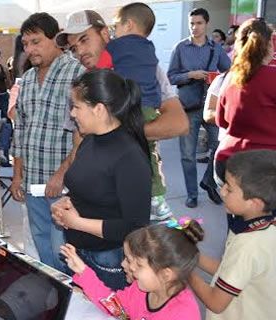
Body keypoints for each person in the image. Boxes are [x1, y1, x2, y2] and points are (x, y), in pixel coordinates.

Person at [59, 8, 189, 222]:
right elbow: (78, 143)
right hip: (98, 201)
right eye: (74, 48)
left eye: (84, 40)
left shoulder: (145, 67)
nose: (80, 52)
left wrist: (116, 134)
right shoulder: (82, 84)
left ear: (104, 34)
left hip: (136, 194)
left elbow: (178, 124)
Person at [52, 69, 151, 290]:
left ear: (99, 109)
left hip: (108, 260)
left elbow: (135, 226)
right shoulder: (90, 141)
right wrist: (65, 204)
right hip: (77, 253)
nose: (72, 114)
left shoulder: (129, 156)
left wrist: (76, 223)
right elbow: (88, 189)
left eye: (77, 107)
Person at [9, 13, 84, 271]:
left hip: (63, 187)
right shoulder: (27, 79)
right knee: (42, 248)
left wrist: (62, 174)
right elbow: (21, 130)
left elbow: (83, 134)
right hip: (32, 184)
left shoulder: (77, 73)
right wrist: (17, 176)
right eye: (26, 43)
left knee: (61, 248)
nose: (29, 49)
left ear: (56, 40)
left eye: (36, 42)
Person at [189, 150, 276, 320]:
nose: (222, 192)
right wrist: (191, 255)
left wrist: (183, 270)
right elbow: (228, 269)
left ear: (254, 203)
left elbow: (216, 302)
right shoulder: (263, 227)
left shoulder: (248, 244)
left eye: (229, 188)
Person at [61, 220, 203, 320]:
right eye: (127, 259)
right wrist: (83, 272)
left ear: (165, 275)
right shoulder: (139, 289)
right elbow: (118, 309)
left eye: (136, 263)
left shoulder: (183, 314)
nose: (124, 264)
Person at [215, 18, 276, 232]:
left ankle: (236, 260)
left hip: (228, 162)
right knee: (265, 234)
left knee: (239, 229)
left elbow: (220, 121)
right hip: (263, 169)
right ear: (269, 45)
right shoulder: (273, 76)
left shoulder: (232, 78)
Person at [167, 8, 231, 208]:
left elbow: (229, 73)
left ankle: (209, 182)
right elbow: (171, 76)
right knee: (187, 155)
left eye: (199, 23)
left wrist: (218, 80)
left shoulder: (216, 48)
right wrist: (190, 75)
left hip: (211, 108)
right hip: (188, 108)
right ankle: (192, 194)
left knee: (219, 148)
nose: (194, 27)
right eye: (192, 23)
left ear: (207, 24)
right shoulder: (180, 48)